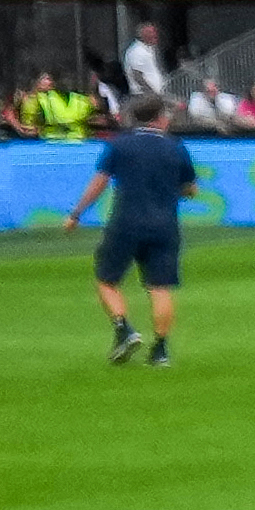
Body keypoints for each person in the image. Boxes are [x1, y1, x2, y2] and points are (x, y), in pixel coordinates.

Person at [80, 93, 195, 364]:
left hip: (126, 222)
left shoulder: (120, 145)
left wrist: (76, 214)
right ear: (160, 117)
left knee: (107, 280)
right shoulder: (175, 146)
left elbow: (99, 182)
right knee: (160, 287)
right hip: (165, 225)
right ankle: (161, 350)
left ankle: (124, 329)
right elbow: (190, 188)